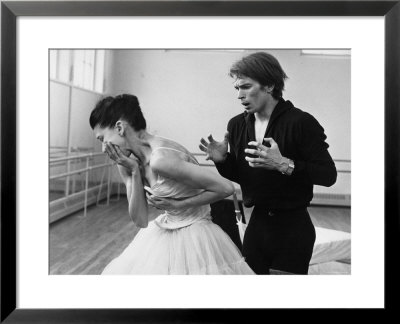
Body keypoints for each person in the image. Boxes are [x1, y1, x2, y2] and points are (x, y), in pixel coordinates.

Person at [199, 52, 337, 275]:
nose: (239, 95)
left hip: (293, 228)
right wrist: (223, 161)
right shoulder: (236, 125)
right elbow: (246, 175)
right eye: (237, 88)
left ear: (270, 86)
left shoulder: (301, 122)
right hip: (258, 226)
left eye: (246, 86)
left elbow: (329, 176)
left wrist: (284, 164)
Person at [89, 94, 254, 275]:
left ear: (120, 127)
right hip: (165, 230)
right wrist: (135, 172)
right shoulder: (127, 163)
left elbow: (226, 187)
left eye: (102, 139)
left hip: (197, 233)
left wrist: (178, 204)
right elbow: (141, 220)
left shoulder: (161, 158)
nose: (104, 148)